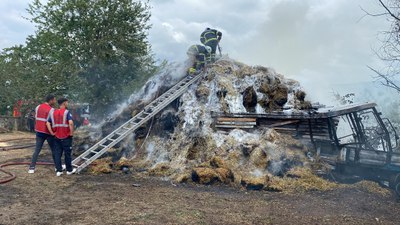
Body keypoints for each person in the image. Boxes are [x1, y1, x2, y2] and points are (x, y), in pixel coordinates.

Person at [46, 97, 76, 176]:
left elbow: (47, 123)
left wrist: (52, 133)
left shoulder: (53, 113)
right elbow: (71, 123)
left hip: (56, 137)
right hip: (66, 137)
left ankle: (59, 171)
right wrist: (71, 133)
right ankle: (69, 170)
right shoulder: (67, 112)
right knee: (67, 154)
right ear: (64, 103)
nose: (67, 104)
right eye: (67, 102)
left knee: (57, 154)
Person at [28, 94, 57, 174]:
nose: (55, 101)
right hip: (48, 132)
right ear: (50, 100)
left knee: (37, 150)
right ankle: (57, 167)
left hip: (39, 132)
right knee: (54, 150)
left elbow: (36, 118)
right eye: (54, 100)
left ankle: (31, 168)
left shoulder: (38, 107)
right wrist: (54, 132)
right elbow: (52, 122)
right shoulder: (51, 110)